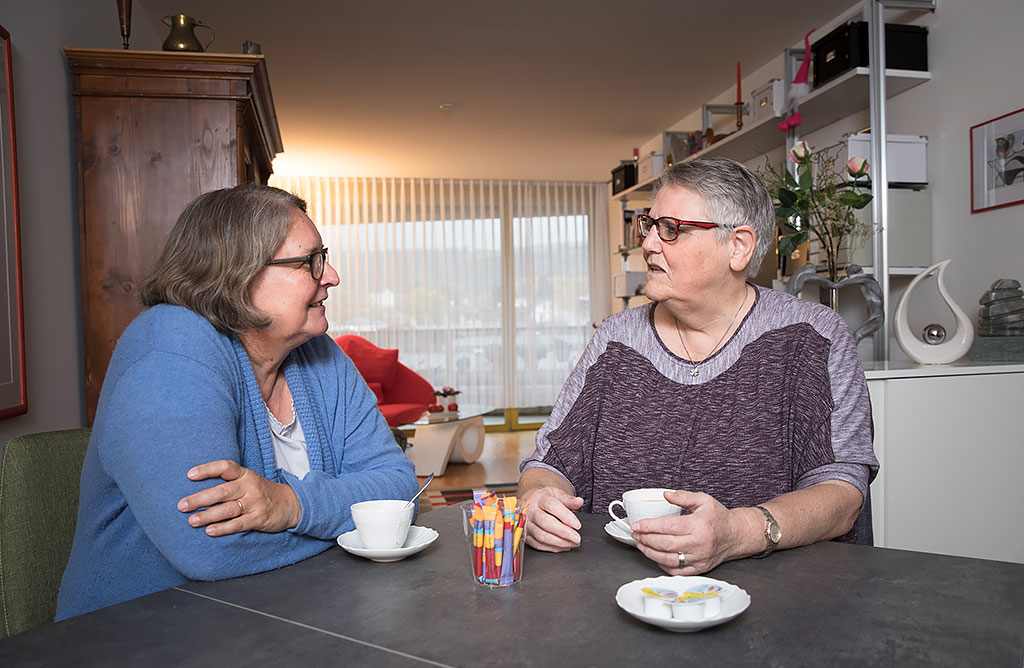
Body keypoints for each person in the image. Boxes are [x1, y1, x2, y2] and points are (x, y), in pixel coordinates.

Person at [57, 185, 418, 619]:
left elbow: (399, 487)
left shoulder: (321, 353)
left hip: (286, 619)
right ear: (239, 275)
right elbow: (212, 550)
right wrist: (353, 522)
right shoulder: (168, 353)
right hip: (140, 637)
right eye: (311, 262)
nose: (332, 276)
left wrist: (291, 506)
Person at [518, 157, 878, 575]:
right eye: (649, 225)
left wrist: (737, 532)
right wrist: (536, 498)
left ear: (738, 247)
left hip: (776, 601)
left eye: (670, 229)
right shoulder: (616, 339)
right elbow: (548, 463)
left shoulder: (812, 336)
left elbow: (841, 494)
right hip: (616, 591)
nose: (649, 244)